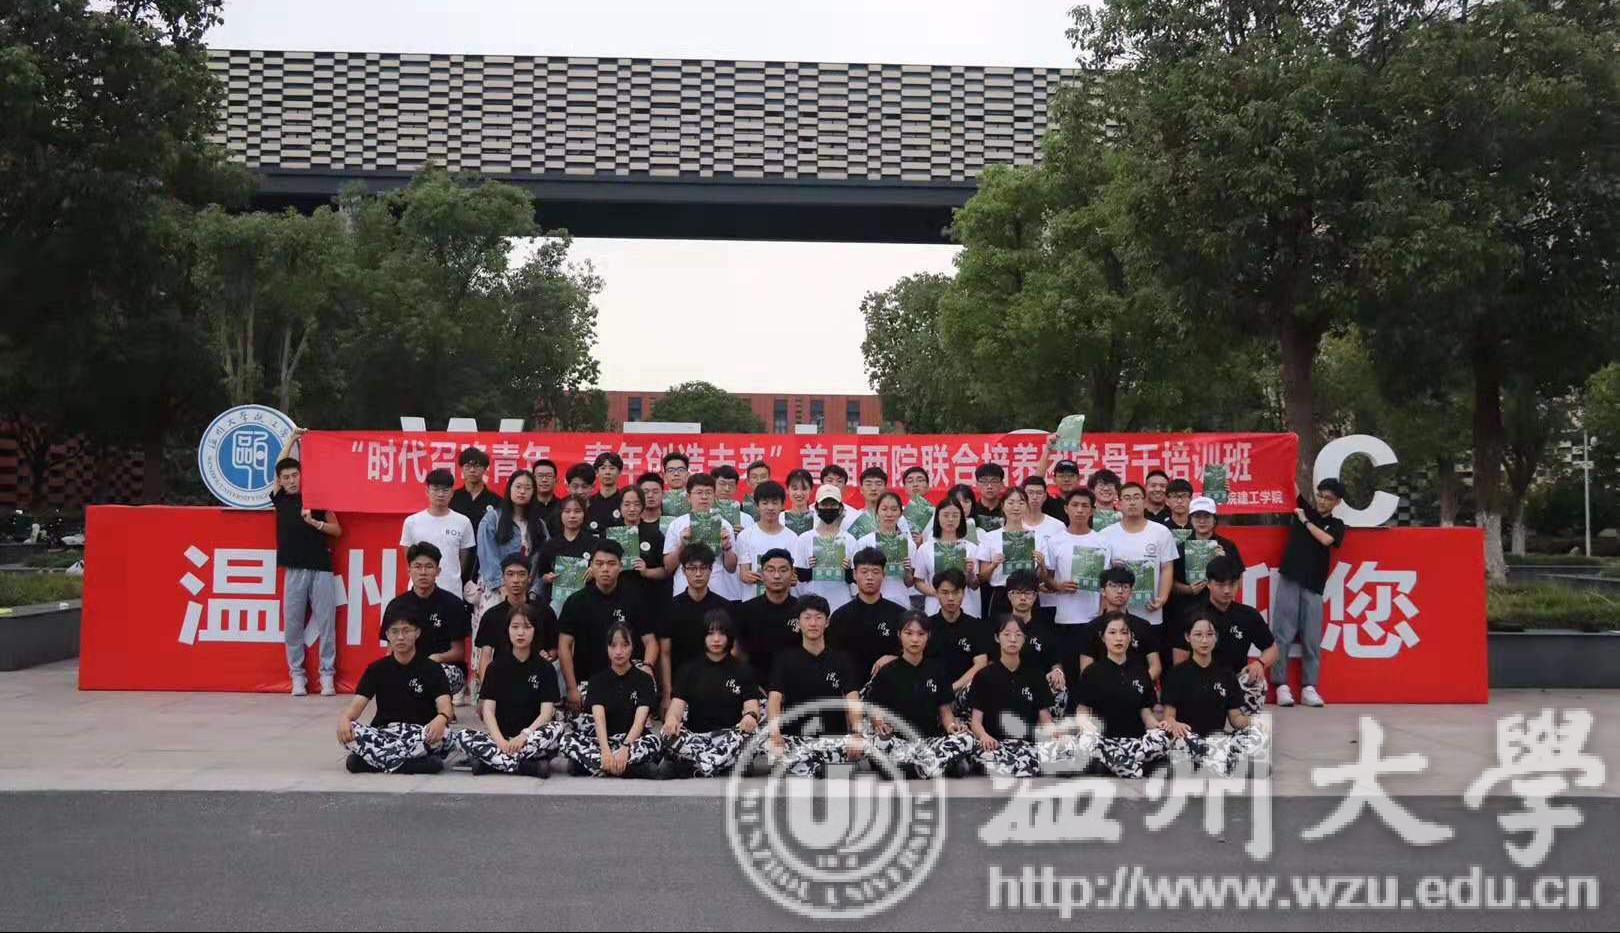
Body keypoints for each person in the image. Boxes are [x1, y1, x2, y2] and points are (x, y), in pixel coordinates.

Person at [338, 602, 454, 774]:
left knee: (445, 734)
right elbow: (354, 709)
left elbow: (446, 708)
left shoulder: (433, 669)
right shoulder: (376, 669)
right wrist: (344, 720)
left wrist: (441, 718)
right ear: (387, 635)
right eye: (394, 631)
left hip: (419, 733)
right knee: (351, 732)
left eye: (406, 630)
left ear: (417, 633)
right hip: (385, 733)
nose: (400, 637)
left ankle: (377, 761)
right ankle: (410, 764)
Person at [457, 603, 567, 777]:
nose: (520, 633)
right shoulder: (495, 667)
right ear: (507, 630)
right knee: (463, 736)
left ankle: (493, 764)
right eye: (515, 627)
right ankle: (526, 766)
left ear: (535, 631)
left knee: (556, 729)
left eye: (527, 627)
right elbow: (488, 711)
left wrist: (524, 736)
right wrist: (500, 741)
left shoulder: (545, 668)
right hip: (502, 737)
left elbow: (546, 713)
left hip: (530, 737)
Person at [863, 611, 977, 778]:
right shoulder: (887, 672)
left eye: (920, 634)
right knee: (877, 743)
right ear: (899, 635)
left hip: (929, 741)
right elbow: (876, 710)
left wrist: (952, 727)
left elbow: (945, 711)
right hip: (900, 741)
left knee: (967, 738)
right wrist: (880, 725)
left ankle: (914, 769)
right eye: (909, 633)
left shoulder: (937, 670)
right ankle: (939, 766)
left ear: (928, 636)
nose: (914, 639)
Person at [268, 447, 342, 696]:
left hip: (321, 568)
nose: (291, 481)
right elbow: (277, 466)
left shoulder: (318, 498)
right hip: (294, 569)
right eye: (286, 477)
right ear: (280, 480)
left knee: (326, 624)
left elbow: (337, 530)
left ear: (302, 475)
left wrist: (315, 523)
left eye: (295, 475)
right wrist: (292, 439)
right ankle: (297, 676)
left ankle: (327, 675)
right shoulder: (280, 499)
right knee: (293, 625)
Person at [766, 595, 866, 777]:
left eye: (819, 617)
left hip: (833, 738)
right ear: (798, 623)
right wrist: (775, 734)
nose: (813, 623)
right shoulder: (784, 659)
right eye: (807, 617)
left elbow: (852, 698)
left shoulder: (842, 659)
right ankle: (816, 768)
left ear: (827, 622)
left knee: (864, 745)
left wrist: (856, 733)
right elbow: (774, 699)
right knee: (771, 749)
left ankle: (819, 767)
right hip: (796, 739)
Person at [558, 540, 655, 724]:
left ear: (620, 566)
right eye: (599, 563)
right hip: (588, 682)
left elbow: (650, 641)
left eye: (611, 564)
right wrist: (571, 688)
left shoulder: (634, 599)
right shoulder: (575, 602)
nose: (605, 569)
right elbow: (564, 646)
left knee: (635, 727)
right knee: (586, 729)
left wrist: (648, 666)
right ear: (591, 566)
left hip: (627, 681)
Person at [1161, 614, 1270, 776]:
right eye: (1198, 635)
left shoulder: (1226, 674)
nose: (1204, 640)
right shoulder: (1176, 674)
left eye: (1209, 634)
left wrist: (1256, 722)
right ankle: (1215, 764)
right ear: (1188, 637)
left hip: (1217, 741)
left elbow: (1236, 719)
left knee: (1255, 740)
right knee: (1173, 744)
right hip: (1188, 740)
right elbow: (1168, 717)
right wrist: (1174, 724)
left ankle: (1211, 763)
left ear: (1216, 637)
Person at [967, 615, 1074, 777]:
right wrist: (984, 736)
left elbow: (1045, 719)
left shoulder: (1035, 675)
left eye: (1018, 635)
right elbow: (976, 721)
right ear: (997, 637)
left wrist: (1056, 735)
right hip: (995, 743)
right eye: (1007, 634)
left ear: (1024, 639)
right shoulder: (984, 676)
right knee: (986, 755)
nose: (1012, 639)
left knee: (1065, 748)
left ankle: (1022, 765)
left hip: (1027, 743)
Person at [1271, 479, 1347, 708]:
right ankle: (1281, 685)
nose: (1322, 501)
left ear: (1337, 502)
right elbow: (1289, 482)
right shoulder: (1303, 507)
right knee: (1282, 633)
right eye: (1320, 495)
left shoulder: (1336, 524)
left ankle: (1309, 687)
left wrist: (1304, 520)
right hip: (1291, 577)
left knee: (1311, 638)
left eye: (1328, 498)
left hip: (1314, 585)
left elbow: (1326, 540)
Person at [1171, 555, 1279, 716]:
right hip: (1202, 681)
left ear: (1239, 583)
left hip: (1235, 681)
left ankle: (1247, 724)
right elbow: (1179, 662)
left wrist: (1260, 663)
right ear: (1208, 584)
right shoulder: (1192, 615)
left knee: (1257, 681)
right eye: (1220, 585)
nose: (1227, 590)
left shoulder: (1248, 615)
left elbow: (1272, 649)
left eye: (1232, 584)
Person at [662, 611, 763, 777]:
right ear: (703, 636)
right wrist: (672, 719)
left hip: (729, 737)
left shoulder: (743, 670)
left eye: (721, 633)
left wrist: (750, 717)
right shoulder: (688, 670)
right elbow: (676, 707)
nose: (716, 639)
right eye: (710, 634)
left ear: (729, 637)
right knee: (666, 734)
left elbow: (752, 706)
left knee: (752, 735)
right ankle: (723, 764)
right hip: (697, 738)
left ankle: (694, 766)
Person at [1073, 612, 1170, 778]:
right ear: (1103, 637)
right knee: (1085, 742)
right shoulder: (1092, 672)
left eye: (1124, 633)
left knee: (1162, 739)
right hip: (1104, 740)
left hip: (1135, 742)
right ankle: (1129, 765)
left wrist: (1157, 726)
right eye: (1112, 632)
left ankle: (1118, 764)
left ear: (1130, 637)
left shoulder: (1141, 671)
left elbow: (1146, 712)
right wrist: (1086, 727)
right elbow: (1082, 710)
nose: (1119, 638)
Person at [560, 622, 664, 777]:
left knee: (655, 743)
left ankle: (594, 766)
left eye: (624, 645)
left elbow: (640, 721)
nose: (618, 651)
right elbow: (599, 720)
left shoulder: (644, 680)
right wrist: (605, 751)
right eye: (613, 646)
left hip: (633, 739)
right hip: (604, 740)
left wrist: (625, 747)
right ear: (607, 648)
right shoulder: (597, 680)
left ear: (632, 647)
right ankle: (628, 769)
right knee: (567, 740)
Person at [1040, 487, 1113, 686]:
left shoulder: (1102, 542)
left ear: (1092, 510)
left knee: (1094, 674)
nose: (1079, 510)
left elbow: (1106, 583)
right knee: (1070, 673)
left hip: (1094, 617)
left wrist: (1103, 611)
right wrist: (1058, 586)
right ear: (1066, 508)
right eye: (1075, 505)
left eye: (1085, 506)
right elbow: (1047, 580)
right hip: (1065, 618)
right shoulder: (1055, 541)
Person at [382, 542, 472, 698]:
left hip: (441, 666)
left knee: (434, 676)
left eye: (429, 567)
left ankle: (441, 708)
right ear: (409, 570)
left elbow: (458, 652)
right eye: (417, 567)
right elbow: (391, 650)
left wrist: (436, 659)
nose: (423, 572)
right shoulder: (396, 606)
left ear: (438, 571)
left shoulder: (453, 604)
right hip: (407, 664)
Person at [661, 542, 735, 711]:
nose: (698, 574)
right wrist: (667, 695)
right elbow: (665, 653)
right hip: (681, 688)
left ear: (711, 570)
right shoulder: (670, 608)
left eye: (703, 568)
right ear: (683, 570)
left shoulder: (725, 607)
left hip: (718, 685)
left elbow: (732, 651)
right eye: (692, 568)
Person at [1098, 482, 1178, 625]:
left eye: (1136, 497)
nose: (1132, 502)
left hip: (1150, 611)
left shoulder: (1161, 532)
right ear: (1119, 503)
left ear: (1145, 502)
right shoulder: (1106, 534)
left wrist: (1162, 598)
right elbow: (1102, 573)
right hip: (1116, 614)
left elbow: (1166, 568)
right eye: (1127, 498)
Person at [475, 555, 558, 688]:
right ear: (503, 578)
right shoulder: (491, 616)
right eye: (510, 574)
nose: (516, 580)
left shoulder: (545, 612)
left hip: (535, 681)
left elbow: (554, 650)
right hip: (501, 681)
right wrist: (487, 690)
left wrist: (546, 656)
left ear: (529, 578)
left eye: (521, 574)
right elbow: (486, 655)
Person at [1168, 495, 1245, 637]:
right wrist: (1188, 589)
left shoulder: (1227, 546)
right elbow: (1169, 582)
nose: (1202, 521)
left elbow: (1238, 582)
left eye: (1207, 516)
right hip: (1187, 610)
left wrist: (1224, 562)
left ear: (1214, 519)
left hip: (1219, 609)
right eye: (1197, 516)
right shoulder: (1180, 548)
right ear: (1190, 519)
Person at [828, 546, 905, 684]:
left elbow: (911, 653)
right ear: (854, 574)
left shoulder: (899, 614)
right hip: (851, 689)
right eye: (864, 572)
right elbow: (832, 658)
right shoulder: (840, 616)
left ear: (883, 574)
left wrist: (895, 658)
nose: (869, 577)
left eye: (875, 572)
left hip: (891, 686)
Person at [400, 468, 476, 603]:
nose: (440, 494)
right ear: (427, 491)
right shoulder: (412, 522)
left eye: (445, 490)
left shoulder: (463, 522)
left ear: (452, 493)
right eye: (435, 489)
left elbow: (464, 560)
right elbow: (409, 558)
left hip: (451, 591)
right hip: (419, 592)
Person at [475, 469, 548, 611]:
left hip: (526, 590)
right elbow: (487, 555)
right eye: (518, 487)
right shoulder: (493, 518)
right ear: (509, 489)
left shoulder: (539, 524)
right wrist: (502, 586)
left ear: (534, 492)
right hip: (495, 589)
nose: (522, 492)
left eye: (527, 488)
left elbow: (541, 559)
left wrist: (533, 590)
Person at [975, 487, 1052, 621]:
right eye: (1011, 503)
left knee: (1030, 632)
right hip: (1001, 595)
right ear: (1002, 506)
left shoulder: (1037, 538)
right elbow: (982, 578)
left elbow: (1043, 578)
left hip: (1029, 596)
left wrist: (1042, 565)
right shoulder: (990, 537)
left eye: (1021, 503)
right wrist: (993, 565)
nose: (1016, 507)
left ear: (1027, 506)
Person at [923, 568, 992, 714]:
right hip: (932, 692)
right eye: (945, 592)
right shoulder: (926, 627)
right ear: (936, 593)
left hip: (965, 693)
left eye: (956, 592)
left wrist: (953, 688)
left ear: (963, 593)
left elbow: (980, 664)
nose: (950, 598)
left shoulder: (976, 626)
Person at [661, 472, 739, 600]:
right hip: (684, 591)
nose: (704, 497)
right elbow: (669, 567)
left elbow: (731, 568)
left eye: (708, 493)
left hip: (718, 591)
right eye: (699, 492)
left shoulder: (724, 525)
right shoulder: (676, 525)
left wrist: (727, 548)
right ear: (688, 497)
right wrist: (682, 545)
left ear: (714, 496)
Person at [1002, 570, 1068, 717]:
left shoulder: (1046, 629)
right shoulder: (1000, 627)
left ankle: (1050, 727)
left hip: (1038, 686)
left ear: (1035, 596)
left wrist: (1058, 672)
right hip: (1005, 683)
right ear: (1009, 596)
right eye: (1017, 593)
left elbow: (1055, 662)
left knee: (1059, 686)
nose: (1023, 598)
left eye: (1028, 593)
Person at [1081, 566, 1162, 683]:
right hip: (1103, 687)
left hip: (1138, 686)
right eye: (1113, 586)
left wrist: (1139, 685)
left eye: (1125, 587)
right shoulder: (1091, 628)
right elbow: (1085, 669)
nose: (1119, 591)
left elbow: (1155, 666)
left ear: (1131, 591)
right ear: (1103, 591)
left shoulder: (1143, 626)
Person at [735, 548, 802, 683]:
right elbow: (738, 653)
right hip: (755, 685)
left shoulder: (803, 611)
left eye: (783, 570)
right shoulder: (745, 611)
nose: (776, 576)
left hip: (796, 683)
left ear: (792, 574)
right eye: (770, 570)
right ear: (762, 574)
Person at [792, 484, 859, 613]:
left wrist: (848, 569)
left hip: (842, 604)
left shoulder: (850, 540)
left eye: (833, 505)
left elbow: (855, 578)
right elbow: (798, 576)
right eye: (824, 504)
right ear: (817, 508)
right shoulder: (804, 539)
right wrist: (810, 569)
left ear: (840, 508)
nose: (829, 508)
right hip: (812, 606)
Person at [911, 495, 982, 618]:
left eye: (955, 515)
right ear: (937, 517)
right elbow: (918, 581)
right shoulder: (925, 548)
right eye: (946, 515)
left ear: (961, 518)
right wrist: (938, 593)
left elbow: (975, 585)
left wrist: (970, 573)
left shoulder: (971, 548)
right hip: (935, 608)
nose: (950, 519)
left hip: (966, 608)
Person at [616, 485, 669, 637]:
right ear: (620, 507)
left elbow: (665, 571)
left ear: (643, 506)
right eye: (627, 504)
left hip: (647, 598)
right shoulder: (611, 533)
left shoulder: (654, 534)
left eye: (636, 504)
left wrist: (647, 572)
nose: (632, 509)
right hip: (617, 597)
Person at [531, 494, 598, 610]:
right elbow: (542, 573)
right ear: (560, 514)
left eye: (577, 511)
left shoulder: (594, 543)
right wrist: (547, 578)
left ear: (584, 514)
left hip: (587, 601)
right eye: (567, 511)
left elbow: (602, 566)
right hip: (556, 601)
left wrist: (595, 570)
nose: (572, 516)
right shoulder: (550, 545)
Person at [736, 480, 800, 601]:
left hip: (783, 602)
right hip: (753, 601)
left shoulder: (792, 537)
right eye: (765, 503)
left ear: (782, 505)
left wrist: (792, 578)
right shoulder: (745, 536)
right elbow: (744, 574)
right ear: (757, 506)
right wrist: (747, 576)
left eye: (775, 503)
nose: (770, 508)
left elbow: (793, 574)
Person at [450, 446, 502, 594]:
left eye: (477, 466)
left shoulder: (496, 501)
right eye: (468, 466)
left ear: (485, 469)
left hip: (484, 559)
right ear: (461, 468)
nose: (472, 470)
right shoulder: (452, 498)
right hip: (457, 556)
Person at [853, 491, 917, 608]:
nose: (889, 514)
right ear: (877, 512)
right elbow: (857, 576)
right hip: (870, 602)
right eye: (884, 509)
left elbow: (909, 583)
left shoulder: (908, 544)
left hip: (900, 602)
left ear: (900, 513)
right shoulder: (864, 542)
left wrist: (907, 571)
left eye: (894, 509)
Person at [586, 451, 627, 536]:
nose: (607, 472)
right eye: (603, 468)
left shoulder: (626, 502)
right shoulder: (588, 503)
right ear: (596, 472)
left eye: (612, 468)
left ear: (619, 472)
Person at [971, 463, 1008, 533]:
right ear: (977, 485)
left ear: (1002, 484)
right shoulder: (971, 510)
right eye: (984, 481)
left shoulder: (1009, 510)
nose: (989, 486)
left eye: (994, 481)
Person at [531, 457, 562, 534]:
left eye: (549, 476)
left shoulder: (563, 506)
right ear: (533, 479)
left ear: (556, 480)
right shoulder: (526, 506)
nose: (544, 480)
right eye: (540, 476)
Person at [782, 468, 817, 534]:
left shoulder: (818, 518)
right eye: (795, 489)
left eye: (804, 489)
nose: (799, 493)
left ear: (811, 490)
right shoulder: (779, 518)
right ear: (787, 489)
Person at [661, 451, 692, 516]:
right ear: (665, 476)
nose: (676, 474)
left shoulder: (695, 497)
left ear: (688, 475)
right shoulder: (659, 498)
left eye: (681, 470)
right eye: (671, 470)